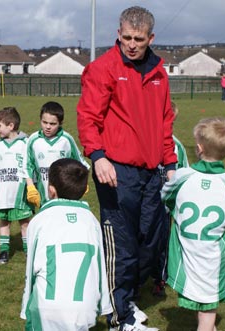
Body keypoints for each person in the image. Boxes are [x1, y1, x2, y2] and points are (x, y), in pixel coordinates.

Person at [76, 6, 177, 331]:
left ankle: (127, 298)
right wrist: (98, 155)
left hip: (152, 173)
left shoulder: (159, 73)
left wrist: (171, 163)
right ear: (118, 34)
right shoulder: (102, 68)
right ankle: (120, 318)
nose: (132, 44)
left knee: (149, 241)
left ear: (151, 38)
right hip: (115, 170)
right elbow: (88, 117)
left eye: (139, 39)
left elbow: (164, 122)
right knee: (122, 245)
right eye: (126, 37)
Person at [162, 117, 225, 331]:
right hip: (213, 254)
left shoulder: (182, 176)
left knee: (205, 314)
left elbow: (166, 196)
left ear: (198, 148)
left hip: (187, 252)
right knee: (207, 308)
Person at [20, 158, 112, 330]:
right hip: (85, 307)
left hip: (48, 307)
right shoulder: (91, 221)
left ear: (51, 189)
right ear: (85, 189)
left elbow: (31, 267)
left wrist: (26, 308)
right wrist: (104, 305)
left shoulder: (39, 221)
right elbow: (99, 265)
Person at [0, 107, 33, 264]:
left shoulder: (26, 144)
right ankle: (4, 252)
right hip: (3, 192)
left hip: (21, 193)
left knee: (25, 223)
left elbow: (32, 166)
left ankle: (28, 251)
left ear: (10, 126)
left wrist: (32, 186)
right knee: (4, 222)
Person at [152, 101, 189, 298]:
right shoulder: (145, 141)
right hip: (144, 203)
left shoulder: (178, 147)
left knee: (163, 242)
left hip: (165, 207)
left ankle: (160, 278)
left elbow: (184, 177)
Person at [24, 101, 89, 208]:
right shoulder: (33, 139)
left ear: (60, 123)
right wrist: (30, 187)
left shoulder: (66, 140)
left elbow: (80, 163)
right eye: (44, 122)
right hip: (43, 198)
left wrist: (83, 182)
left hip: (65, 197)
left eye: (52, 124)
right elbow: (27, 165)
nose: (48, 127)